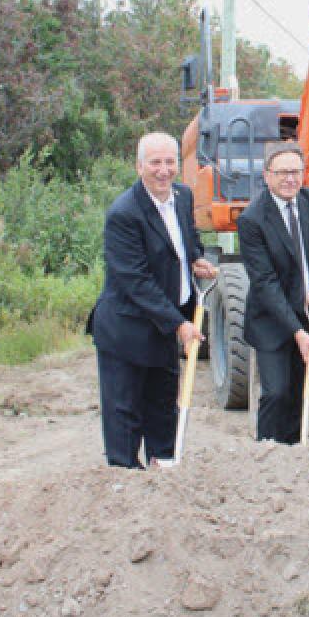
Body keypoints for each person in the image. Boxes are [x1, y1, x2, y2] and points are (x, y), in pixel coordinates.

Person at [87, 132, 219, 469]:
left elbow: (186, 242)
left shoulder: (183, 197)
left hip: (164, 323)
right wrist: (179, 324)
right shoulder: (124, 213)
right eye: (155, 163)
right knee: (125, 410)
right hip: (127, 327)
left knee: (162, 404)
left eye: (170, 162)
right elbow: (135, 280)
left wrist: (196, 260)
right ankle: (124, 481)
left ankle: (164, 473)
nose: (164, 171)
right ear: (139, 166)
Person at [238, 141, 309, 444]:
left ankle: (293, 457)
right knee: (276, 392)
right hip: (272, 320)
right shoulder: (252, 219)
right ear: (267, 175)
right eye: (283, 172)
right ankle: (266, 455)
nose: (290, 179)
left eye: (296, 172)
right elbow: (265, 283)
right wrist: (297, 332)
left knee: (301, 391)